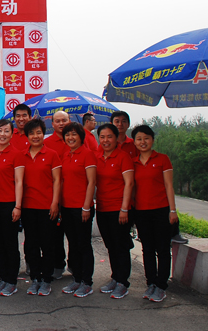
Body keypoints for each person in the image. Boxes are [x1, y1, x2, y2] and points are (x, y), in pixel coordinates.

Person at [132, 124, 178, 303]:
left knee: (163, 249)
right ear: (134, 142)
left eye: (146, 138)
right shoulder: (133, 163)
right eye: (139, 139)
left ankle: (161, 286)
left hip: (161, 210)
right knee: (147, 249)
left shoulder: (162, 159)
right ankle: (150, 282)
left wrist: (172, 210)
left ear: (152, 140)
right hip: (141, 212)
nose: (143, 142)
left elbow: (169, 186)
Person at [21, 118, 61, 296]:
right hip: (28, 206)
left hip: (47, 206)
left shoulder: (52, 154)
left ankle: (46, 280)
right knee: (31, 244)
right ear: (27, 136)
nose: (35, 136)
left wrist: (54, 203)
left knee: (47, 244)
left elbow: (57, 180)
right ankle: (35, 278)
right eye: (31, 133)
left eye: (38, 132)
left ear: (43, 134)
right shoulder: (22, 155)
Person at [95, 123, 134, 299]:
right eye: (102, 137)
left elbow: (129, 183)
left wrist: (124, 208)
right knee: (110, 245)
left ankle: (123, 282)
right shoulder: (97, 157)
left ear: (116, 138)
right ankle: (115, 277)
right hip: (103, 208)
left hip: (119, 209)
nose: (105, 140)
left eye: (109, 136)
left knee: (121, 246)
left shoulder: (123, 157)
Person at [0, 119, 24, 297]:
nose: (2, 134)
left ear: (11, 134)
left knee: (10, 244)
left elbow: (19, 181)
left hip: (9, 204)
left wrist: (18, 206)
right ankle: (3, 277)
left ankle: (11, 281)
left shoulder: (17, 154)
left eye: (6, 131)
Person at [60, 122, 97, 297]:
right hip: (67, 207)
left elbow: (91, 182)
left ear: (81, 136)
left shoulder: (87, 155)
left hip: (82, 207)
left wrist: (86, 206)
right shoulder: (66, 154)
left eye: (74, 134)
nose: (70, 138)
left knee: (83, 245)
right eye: (67, 135)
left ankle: (86, 282)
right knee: (73, 244)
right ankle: (77, 278)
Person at [44, 110, 70, 280]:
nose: (61, 124)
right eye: (58, 121)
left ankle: (76, 266)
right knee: (55, 234)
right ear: (52, 124)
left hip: (74, 196)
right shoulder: (47, 143)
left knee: (75, 235)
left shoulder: (78, 140)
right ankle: (58, 264)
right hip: (53, 196)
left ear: (69, 121)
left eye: (64, 120)